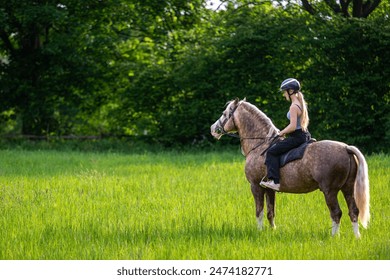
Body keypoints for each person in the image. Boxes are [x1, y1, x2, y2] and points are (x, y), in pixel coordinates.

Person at [261, 78, 311, 191]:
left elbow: (293, 126)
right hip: (303, 135)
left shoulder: (294, 106)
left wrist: (281, 133)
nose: (284, 94)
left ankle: (274, 182)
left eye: (285, 91)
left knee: (272, 152)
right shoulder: (300, 104)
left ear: (291, 91)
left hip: (297, 137)